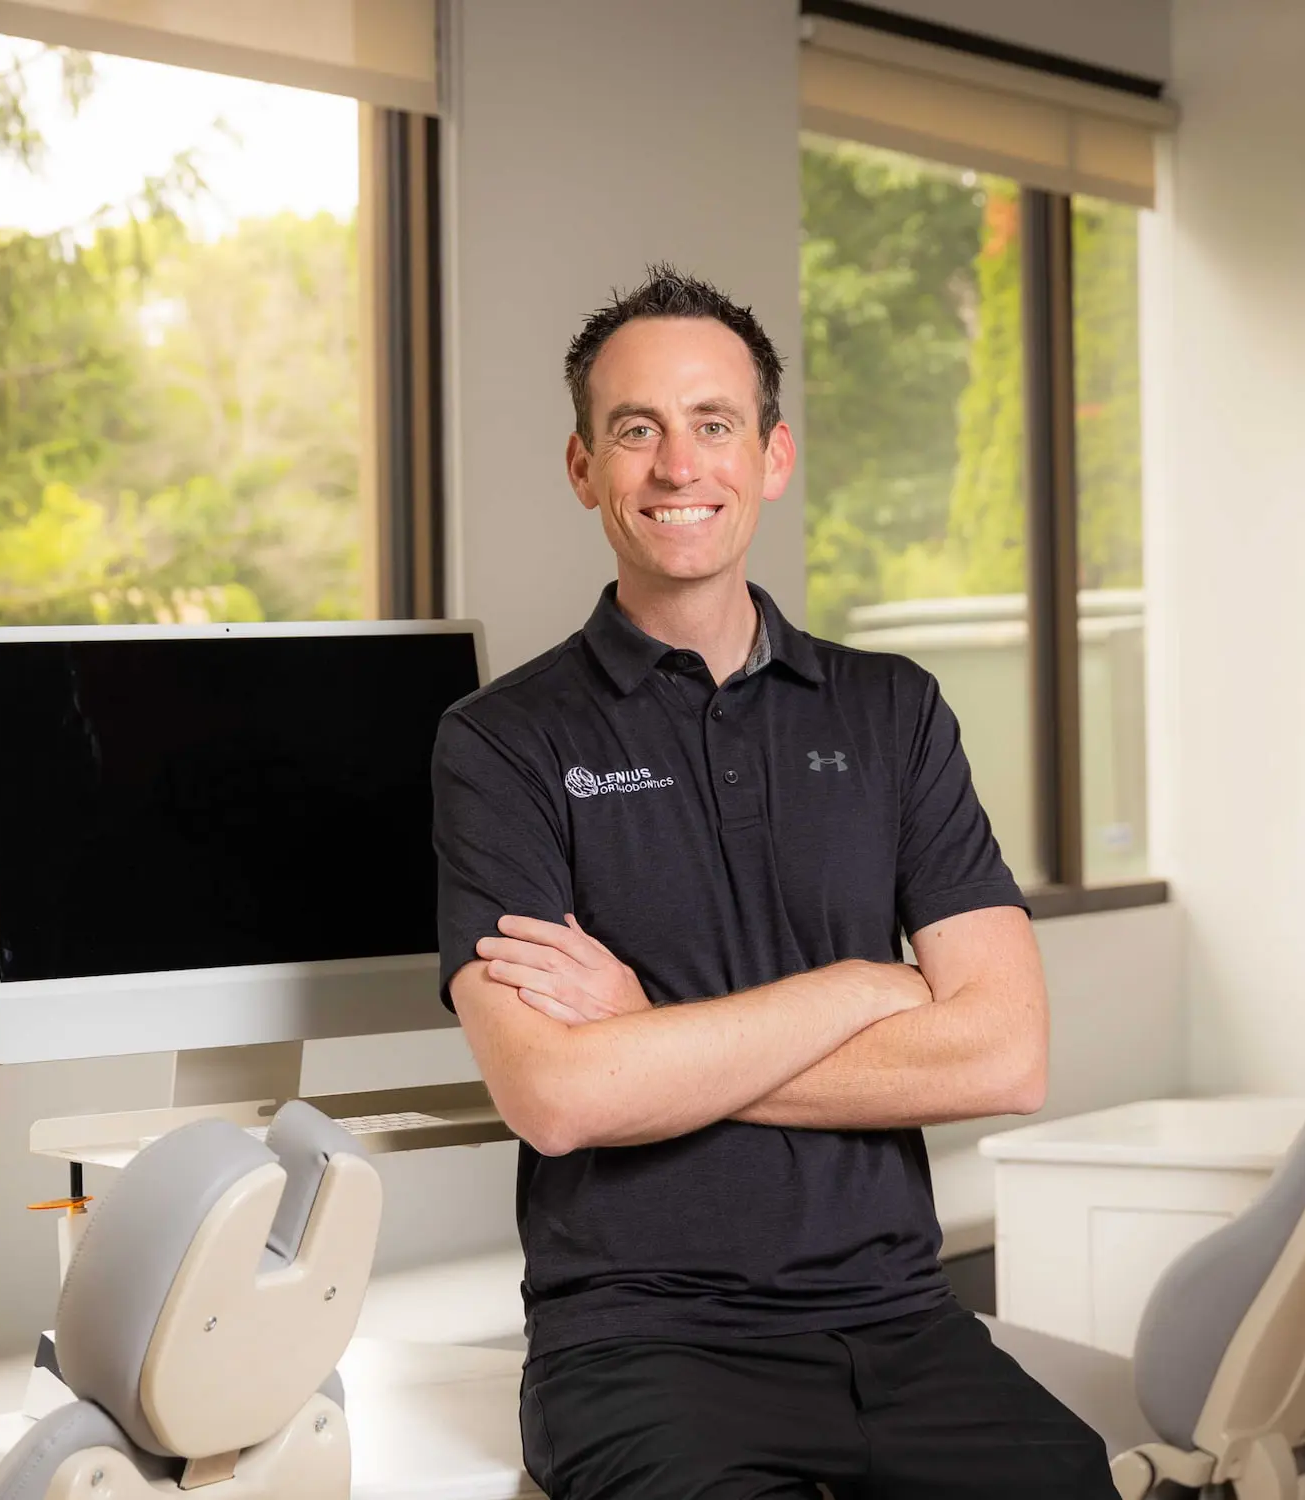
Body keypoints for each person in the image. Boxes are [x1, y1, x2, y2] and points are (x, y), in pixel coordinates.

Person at [432, 264, 1116, 1498]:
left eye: (714, 424)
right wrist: (864, 985)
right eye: (635, 430)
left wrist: (652, 1041)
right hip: (640, 1345)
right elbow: (558, 1099)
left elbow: (1004, 1056)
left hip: (905, 1322)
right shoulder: (501, 744)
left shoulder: (894, 712)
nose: (677, 464)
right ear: (585, 468)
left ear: (773, 454)